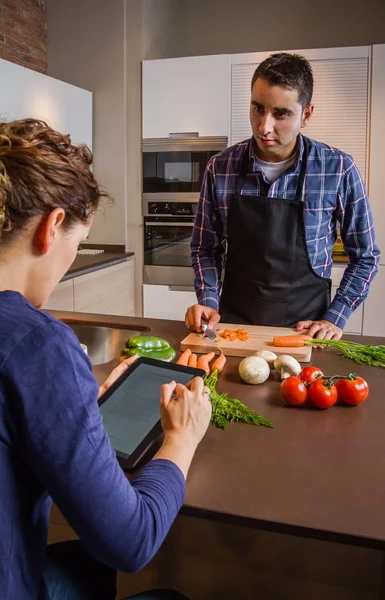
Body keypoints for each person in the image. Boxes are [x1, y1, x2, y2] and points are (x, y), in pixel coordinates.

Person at [0, 118, 212, 600]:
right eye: (76, 245)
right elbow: (131, 541)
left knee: (84, 565)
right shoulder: (37, 344)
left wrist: (68, 409)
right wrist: (180, 438)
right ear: (53, 227)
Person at [186, 52, 380, 341]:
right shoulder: (220, 168)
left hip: (306, 331)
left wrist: (334, 318)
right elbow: (204, 249)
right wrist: (208, 301)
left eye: (281, 114)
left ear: (307, 114)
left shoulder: (338, 169)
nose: (264, 126)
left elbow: (365, 257)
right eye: (257, 108)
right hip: (235, 330)